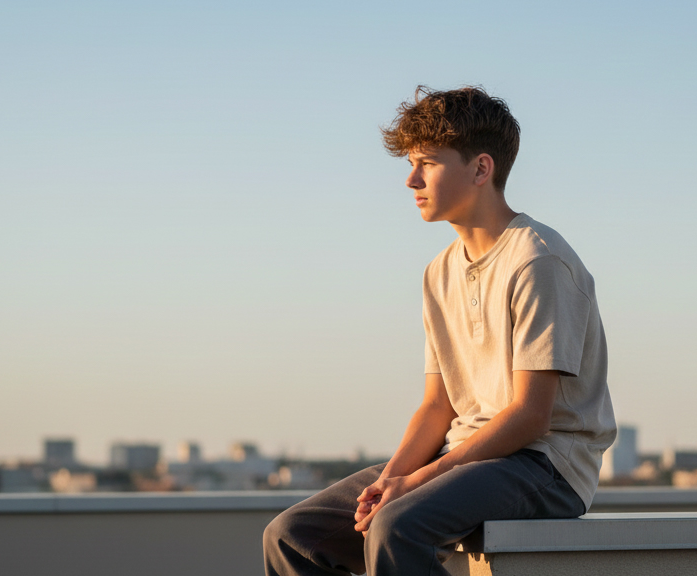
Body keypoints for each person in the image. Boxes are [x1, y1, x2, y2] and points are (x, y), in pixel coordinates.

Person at [263, 86, 616, 576]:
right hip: (462, 455)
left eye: (426, 163)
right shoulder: (439, 272)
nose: (411, 180)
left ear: (480, 169)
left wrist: (416, 484)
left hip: (546, 465)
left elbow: (530, 417)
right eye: (410, 163)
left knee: (397, 525)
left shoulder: (539, 261)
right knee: (291, 535)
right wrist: (388, 481)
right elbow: (438, 406)